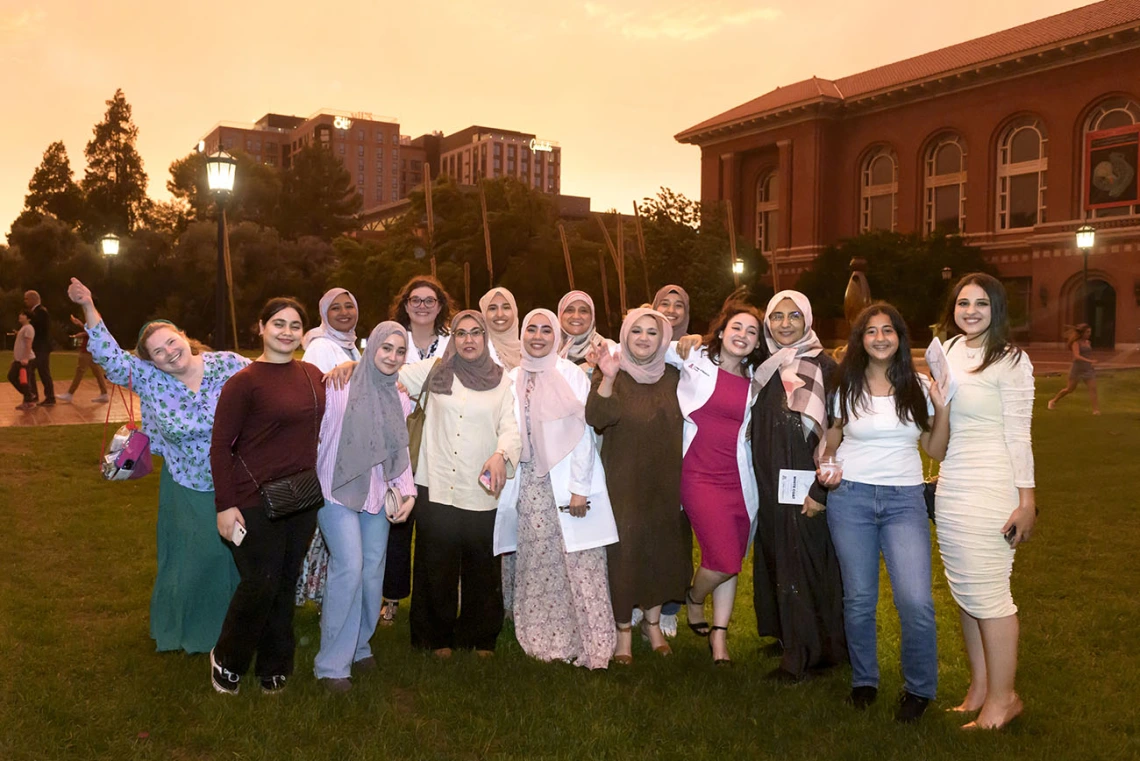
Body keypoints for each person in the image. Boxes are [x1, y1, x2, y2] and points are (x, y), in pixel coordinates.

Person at [67, 277, 248, 654]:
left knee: (235, 555)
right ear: (149, 361)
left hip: (236, 481)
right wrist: (87, 305)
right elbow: (111, 358)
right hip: (186, 484)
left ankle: (238, 627)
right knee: (197, 558)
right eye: (157, 351)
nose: (168, 352)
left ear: (184, 336)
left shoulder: (227, 364)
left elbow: (276, 376)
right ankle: (191, 630)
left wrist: (340, 372)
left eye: (171, 342)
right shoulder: (149, 379)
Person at [817, 303, 949, 723]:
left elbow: (935, 449)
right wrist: (826, 462)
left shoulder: (918, 385)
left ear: (899, 337)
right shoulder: (845, 384)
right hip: (851, 497)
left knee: (916, 600)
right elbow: (833, 437)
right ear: (860, 339)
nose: (879, 337)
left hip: (904, 500)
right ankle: (865, 680)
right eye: (870, 331)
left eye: (887, 330)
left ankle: (919, 688)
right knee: (859, 599)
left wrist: (942, 408)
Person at [935, 273, 1036, 730]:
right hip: (953, 480)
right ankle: (979, 688)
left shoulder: (1012, 360)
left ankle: (1004, 699)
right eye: (963, 302)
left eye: (981, 303)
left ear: (997, 308)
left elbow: (1019, 435)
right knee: (964, 588)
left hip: (991, 482)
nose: (970, 310)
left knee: (989, 593)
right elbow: (944, 425)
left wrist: (1027, 500)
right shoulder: (950, 351)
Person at [210, 297, 326, 695]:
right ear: (261, 326)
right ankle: (228, 658)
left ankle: (275, 663)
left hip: (302, 498)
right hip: (254, 500)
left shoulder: (312, 375)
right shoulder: (244, 382)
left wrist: (351, 367)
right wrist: (225, 506)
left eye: (295, 325)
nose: (286, 332)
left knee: (284, 582)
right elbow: (221, 446)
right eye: (278, 323)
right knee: (260, 582)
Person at [493, 309, 618, 669]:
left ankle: (592, 639)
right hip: (530, 482)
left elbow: (583, 436)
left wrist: (579, 488)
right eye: (530, 329)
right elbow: (509, 428)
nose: (537, 335)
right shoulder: (514, 377)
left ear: (555, 335)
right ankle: (544, 637)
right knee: (540, 561)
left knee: (580, 562)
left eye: (545, 329)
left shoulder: (570, 374)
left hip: (566, 481)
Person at [398, 310, 521, 657]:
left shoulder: (503, 382)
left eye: (475, 333)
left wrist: (501, 454)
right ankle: (435, 637)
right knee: (434, 564)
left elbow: (511, 428)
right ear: (453, 338)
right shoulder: (437, 368)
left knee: (482, 567)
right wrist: (352, 369)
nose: (468, 340)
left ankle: (480, 636)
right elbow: (393, 375)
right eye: (461, 333)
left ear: (486, 339)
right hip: (436, 483)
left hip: (479, 487)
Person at [314, 321, 417, 693]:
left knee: (373, 570)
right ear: (371, 346)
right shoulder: (339, 385)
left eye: (399, 350)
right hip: (336, 488)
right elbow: (320, 436)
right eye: (385, 348)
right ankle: (331, 665)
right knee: (350, 567)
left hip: (378, 492)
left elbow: (399, 447)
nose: (391, 356)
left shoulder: (399, 395)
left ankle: (359, 644)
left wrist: (406, 492)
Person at [750, 289, 847, 681]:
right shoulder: (765, 364)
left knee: (803, 558)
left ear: (807, 320)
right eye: (777, 316)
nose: (785, 324)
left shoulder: (825, 365)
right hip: (770, 476)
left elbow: (839, 429)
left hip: (806, 480)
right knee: (776, 551)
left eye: (794, 316)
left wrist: (821, 488)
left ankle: (805, 653)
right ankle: (786, 633)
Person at [586, 308, 690, 664]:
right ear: (625, 336)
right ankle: (622, 633)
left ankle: (653, 623)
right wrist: (608, 378)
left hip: (665, 482)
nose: (644, 338)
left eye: (651, 332)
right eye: (636, 332)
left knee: (660, 551)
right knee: (625, 555)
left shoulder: (676, 377)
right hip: (623, 482)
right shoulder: (615, 375)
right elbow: (597, 419)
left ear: (663, 339)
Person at [673, 302, 765, 665]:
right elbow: (643, 342)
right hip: (698, 473)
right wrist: (686, 337)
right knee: (725, 559)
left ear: (757, 342)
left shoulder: (758, 377)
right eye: (737, 327)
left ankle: (720, 638)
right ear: (722, 331)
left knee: (731, 558)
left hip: (739, 478)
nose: (742, 335)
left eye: (751, 331)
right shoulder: (695, 357)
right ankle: (694, 599)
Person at [380, 275, 456, 626]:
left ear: (440, 305)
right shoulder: (393, 339)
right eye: (416, 300)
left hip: (443, 443)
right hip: (399, 442)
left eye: (430, 300)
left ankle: (437, 598)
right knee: (397, 523)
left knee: (434, 527)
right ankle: (391, 597)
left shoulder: (453, 342)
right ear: (405, 304)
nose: (423, 306)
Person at [296, 288, 363, 606]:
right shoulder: (321, 347)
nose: (344, 312)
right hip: (330, 454)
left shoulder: (351, 347)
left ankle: (328, 599)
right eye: (335, 308)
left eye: (349, 305)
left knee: (336, 543)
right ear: (324, 314)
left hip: (352, 454)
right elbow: (313, 399)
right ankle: (333, 603)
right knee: (339, 541)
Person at [57, 313, 110, 403]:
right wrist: (82, 333)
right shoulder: (94, 317)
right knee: (96, 371)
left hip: (88, 349)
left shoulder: (94, 316)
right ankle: (104, 393)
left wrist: (79, 324)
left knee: (80, 370)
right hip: (92, 348)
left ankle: (70, 394)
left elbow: (94, 332)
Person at [1047, 323, 1099, 415]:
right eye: (1087, 332)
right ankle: (1053, 401)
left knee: (1093, 388)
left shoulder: (1088, 342)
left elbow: (1087, 354)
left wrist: (1090, 363)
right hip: (1077, 369)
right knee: (1069, 389)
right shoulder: (1076, 343)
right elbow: (1077, 356)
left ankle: (1095, 410)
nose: (1089, 334)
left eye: (1090, 332)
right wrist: (1090, 361)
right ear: (1082, 333)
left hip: (1087, 369)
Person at [558, 290, 608, 372]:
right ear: (560, 315)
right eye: (569, 310)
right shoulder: (548, 350)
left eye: (583, 311)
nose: (576, 316)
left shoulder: (605, 349)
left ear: (592, 317)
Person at [24, 290, 55, 405]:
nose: (25, 301)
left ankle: (49, 397)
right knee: (32, 371)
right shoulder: (36, 312)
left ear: (33, 299)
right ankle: (35, 395)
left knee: (43, 371)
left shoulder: (41, 312)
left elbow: (39, 329)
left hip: (41, 347)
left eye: (26, 299)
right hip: (38, 347)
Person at [480, 286, 522, 370]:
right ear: (484, 313)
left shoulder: (529, 352)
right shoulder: (479, 352)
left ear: (514, 311)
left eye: (506, 307)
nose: (500, 314)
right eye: (492, 308)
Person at [9, 310, 36, 410]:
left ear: (28, 318)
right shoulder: (23, 328)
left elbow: (28, 344)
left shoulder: (28, 328)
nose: (20, 316)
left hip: (25, 360)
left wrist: (25, 358)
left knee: (24, 381)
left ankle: (29, 400)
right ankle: (29, 396)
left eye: (23, 315)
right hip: (19, 359)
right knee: (12, 377)